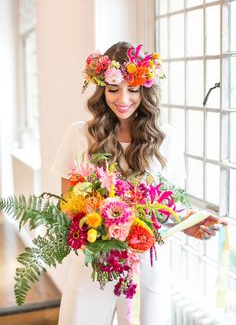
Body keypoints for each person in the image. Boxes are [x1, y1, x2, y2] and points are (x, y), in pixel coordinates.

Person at [51, 42, 223, 325]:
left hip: (147, 265)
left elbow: (170, 205)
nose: (123, 99)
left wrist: (188, 223)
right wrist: (100, 219)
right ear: (100, 88)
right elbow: (67, 208)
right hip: (93, 263)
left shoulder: (167, 138)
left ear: (146, 90)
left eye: (134, 90)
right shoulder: (79, 135)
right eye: (113, 89)